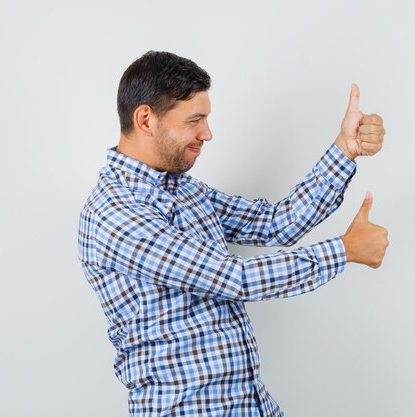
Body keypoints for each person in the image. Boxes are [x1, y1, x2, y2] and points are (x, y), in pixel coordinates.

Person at [78, 50, 388, 417]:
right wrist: (343, 251)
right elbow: (234, 278)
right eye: (195, 120)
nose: (207, 134)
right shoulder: (115, 213)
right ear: (146, 119)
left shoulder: (184, 190)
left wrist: (345, 149)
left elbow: (275, 223)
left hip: (250, 405)